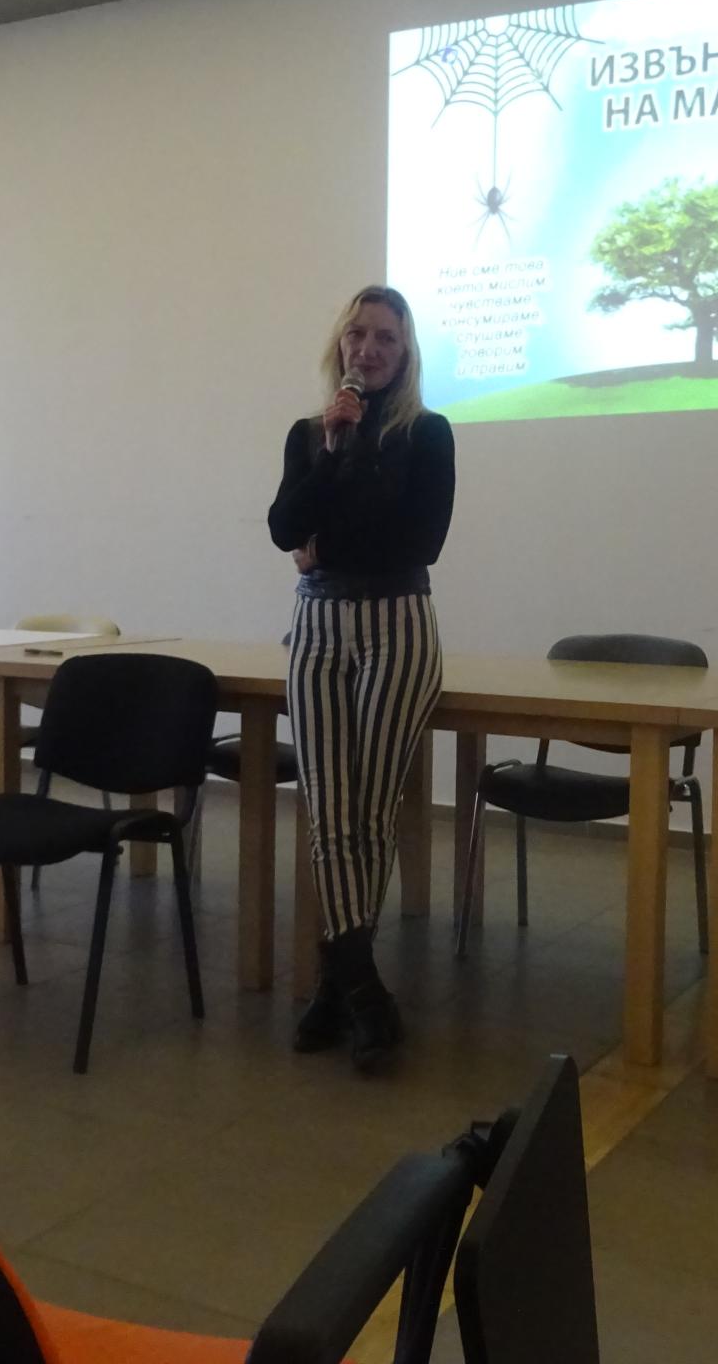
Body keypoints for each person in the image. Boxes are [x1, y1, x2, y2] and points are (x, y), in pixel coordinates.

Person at [267, 284, 454, 1073]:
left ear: (405, 354)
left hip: (397, 626)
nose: (369, 349)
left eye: (385, 337)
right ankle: (362, 989)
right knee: (329, 811)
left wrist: (326, 536)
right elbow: (283, 528)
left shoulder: (427, 434)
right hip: (317, 628)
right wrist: (334, 452)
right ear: (339, 345)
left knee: (370, 815)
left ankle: (335, 985)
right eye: (358, 335)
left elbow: (418, 540)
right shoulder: (310, 434)